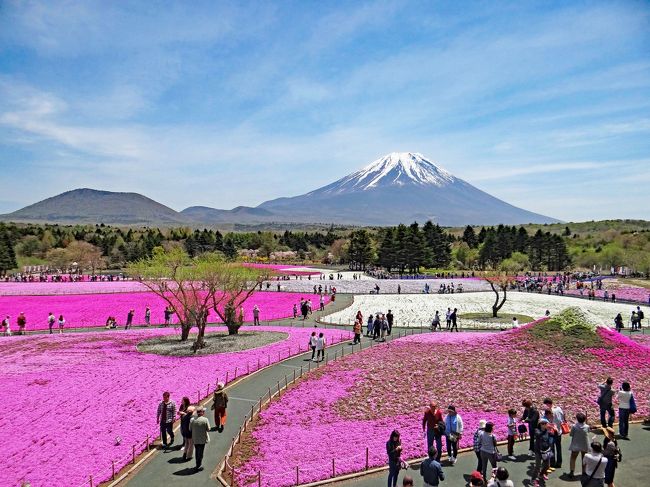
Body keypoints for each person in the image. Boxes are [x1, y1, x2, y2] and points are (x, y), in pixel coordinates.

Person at [543, 397, 565, 469]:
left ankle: (552, 463)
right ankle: (559, 463)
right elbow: (562, 418)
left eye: (546, 404)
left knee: (551, 448)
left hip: (551, 432)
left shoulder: (548, 411)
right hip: (559, 431)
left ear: (548, 404)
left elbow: (545, 421)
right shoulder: (559, 409)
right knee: (559, 447)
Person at [568, 412, 591, 479]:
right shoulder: (587, 426)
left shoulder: (574, 426)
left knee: (573, 458)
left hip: (576, 445)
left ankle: (572, 471)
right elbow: (588, 431)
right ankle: (584, 472)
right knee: (584, 459)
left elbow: (571, 434)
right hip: (585, 445)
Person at [190, 406, 211, 472]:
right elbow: (208, 429)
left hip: (195, 438)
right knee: (201, 452)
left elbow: (190, 429)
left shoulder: (192, 420)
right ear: (201, 412)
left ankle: (197, 463)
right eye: (203, 411)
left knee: (197, 451)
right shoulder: (205, 420)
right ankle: (199, 465)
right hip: (202, 438)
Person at [533, 418, 553, 484]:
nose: (544, 424)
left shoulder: (547, 431)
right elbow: (538, 435)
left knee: (547, 465)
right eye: (542, 423)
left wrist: (553, 430)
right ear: (540, 424)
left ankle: (541, 475)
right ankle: (533, 480)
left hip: (546, 450)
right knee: (538, 466)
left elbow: (552, 437)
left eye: (545, 423)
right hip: (538, 451)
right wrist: (546, 430)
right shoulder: (537, 430)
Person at [178, 397, 195, 461]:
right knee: (190, 444)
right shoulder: (191, 418)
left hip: (185, 432)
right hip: (190, 433)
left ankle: (184, 454)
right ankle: (189, 456)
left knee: (186, 443)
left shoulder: (184, 417)